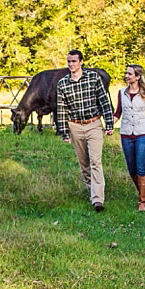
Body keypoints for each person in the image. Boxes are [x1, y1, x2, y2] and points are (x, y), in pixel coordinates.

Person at [56, 50, 115, 212]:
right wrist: (64, 132)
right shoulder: (62, 84)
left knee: (96, 161)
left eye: (74, 61)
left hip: (94, 123)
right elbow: (62, 110)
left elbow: (104, 101)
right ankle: (92, 193)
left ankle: (98, 199)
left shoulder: (93, 78)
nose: (71, 64)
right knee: (84, 164)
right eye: (69, 61)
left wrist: (109, 124)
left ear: (81, 62)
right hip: (75, 126)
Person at [114, 64, 145, 211]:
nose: (126, 76)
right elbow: (118, 112)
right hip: (126, 134)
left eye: (130, 74)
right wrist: (108, 124)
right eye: (126, 73)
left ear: (137, 77)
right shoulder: (121, 93)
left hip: (143, 134)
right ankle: (141, 191)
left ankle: (142, 202)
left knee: (141, 167)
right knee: (131, 169)